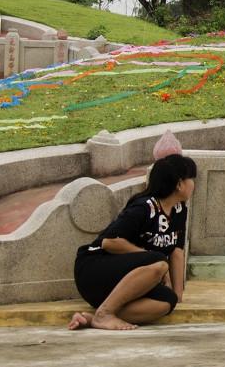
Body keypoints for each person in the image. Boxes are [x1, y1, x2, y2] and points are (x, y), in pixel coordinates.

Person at [69, 136, 195, 331]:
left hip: (123, 285)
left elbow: (177, 251)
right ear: (179, 184)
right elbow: (110, 242)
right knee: (158, 261)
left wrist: (177, 295)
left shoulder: (179, 210)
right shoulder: (144, 207)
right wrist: (154, 261)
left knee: (166, 302)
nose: (193, 184)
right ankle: (105, 314)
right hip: (94, 270)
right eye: (191, 179)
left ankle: (95, 317)